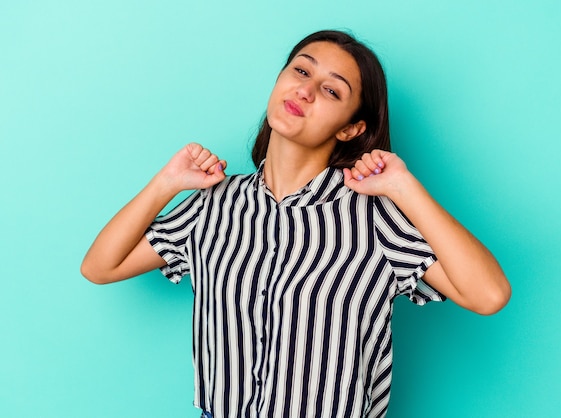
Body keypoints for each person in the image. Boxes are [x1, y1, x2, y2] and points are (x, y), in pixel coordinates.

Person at [81, 30, 511, 418]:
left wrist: (405, 189)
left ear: (351, 129)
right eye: (300, 69)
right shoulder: (212, 206)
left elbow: (489, 295)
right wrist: (166, 183)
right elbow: (100, 267)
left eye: (330, 90)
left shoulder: (376, 218)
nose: (304, 90)